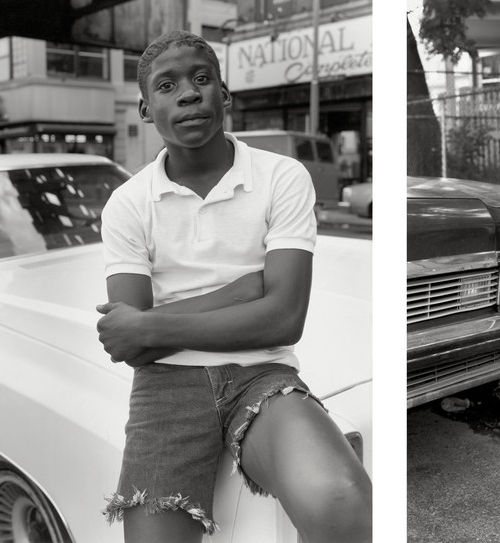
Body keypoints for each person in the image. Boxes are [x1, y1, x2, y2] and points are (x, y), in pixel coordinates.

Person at [95, 30, 372, 543]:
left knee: (340, 495)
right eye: (167, 85)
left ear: (225, 95)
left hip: (261, 373)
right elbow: (130, 346)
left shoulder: (281, 176)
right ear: (144, 107)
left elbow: (285, 318)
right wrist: (245, 292)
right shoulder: (128, 203)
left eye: (202, 79)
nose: (188, 93)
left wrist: (151, 325)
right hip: (166, 389)